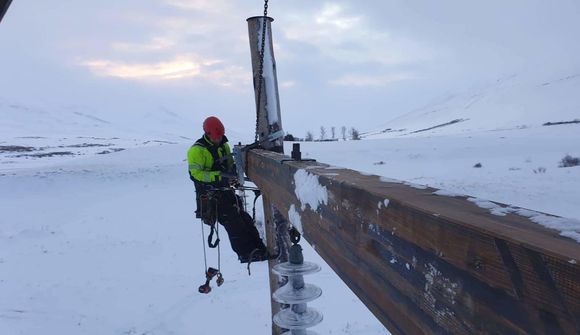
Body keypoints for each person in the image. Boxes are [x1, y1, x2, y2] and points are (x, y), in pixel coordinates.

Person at [187, 116, 269, 263]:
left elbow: (230, 163)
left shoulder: (224, 145)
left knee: (244, 218)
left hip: (226, 190)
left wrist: (233, 175)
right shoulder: (196, 151)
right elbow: (196, 174)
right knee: (232, 221)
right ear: (208, 134)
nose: (218, 140)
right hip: (211, 195)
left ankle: (259, 249)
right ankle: (246, 254)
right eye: (216, 137)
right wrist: (218, 177)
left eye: (220, 137)